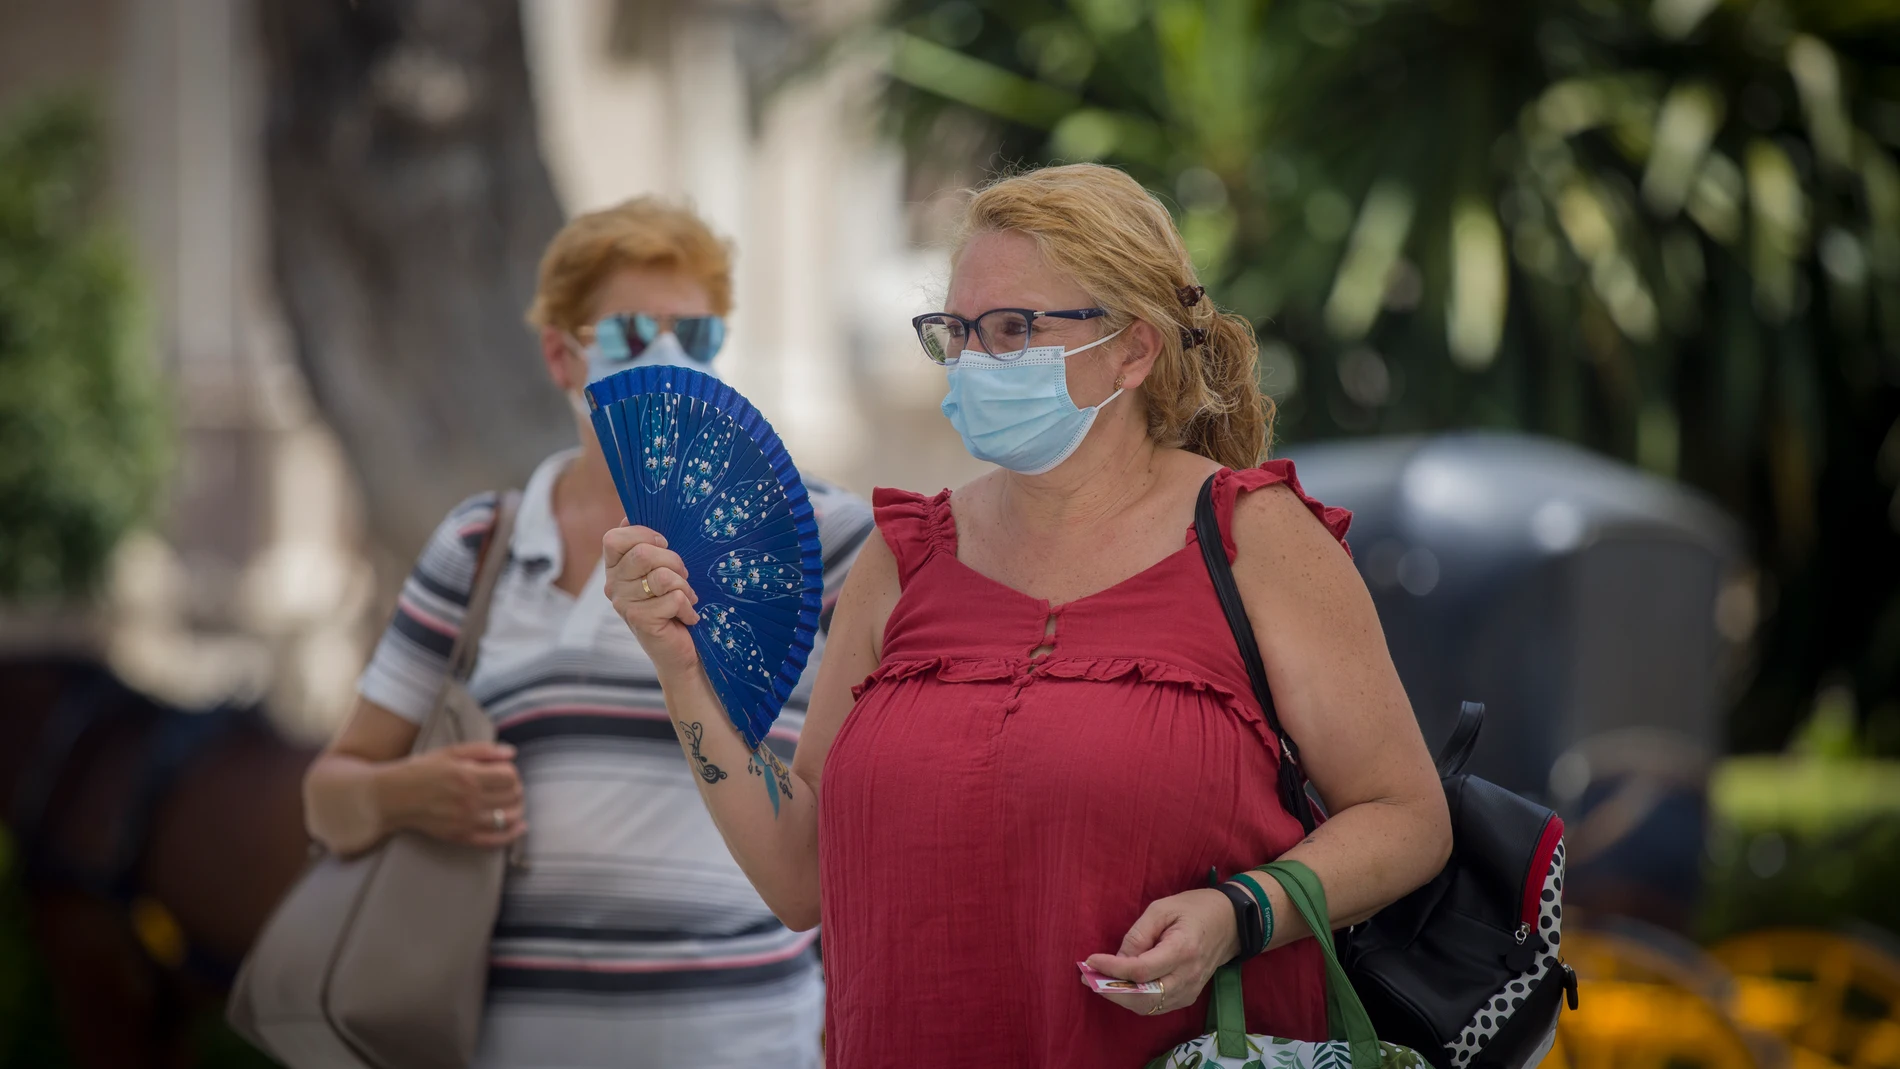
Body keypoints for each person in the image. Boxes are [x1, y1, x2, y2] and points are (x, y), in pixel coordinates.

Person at [601, 163, 1454, 1066]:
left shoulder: (1254, 537)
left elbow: (1406, 817)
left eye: (1013, 329)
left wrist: (1242, 915)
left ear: (1134, 349)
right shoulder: (905, 555)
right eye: (958, 333)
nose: (976, 359)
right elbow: (801, 875)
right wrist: (680, 668)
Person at [302, 197, 872, 1068]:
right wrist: (403, 793)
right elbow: (329, 796)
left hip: (750, 1041)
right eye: (633, 336)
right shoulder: (481, 546)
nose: (674, 360)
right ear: (560, 353)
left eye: (701, 335)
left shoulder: (824, 540)